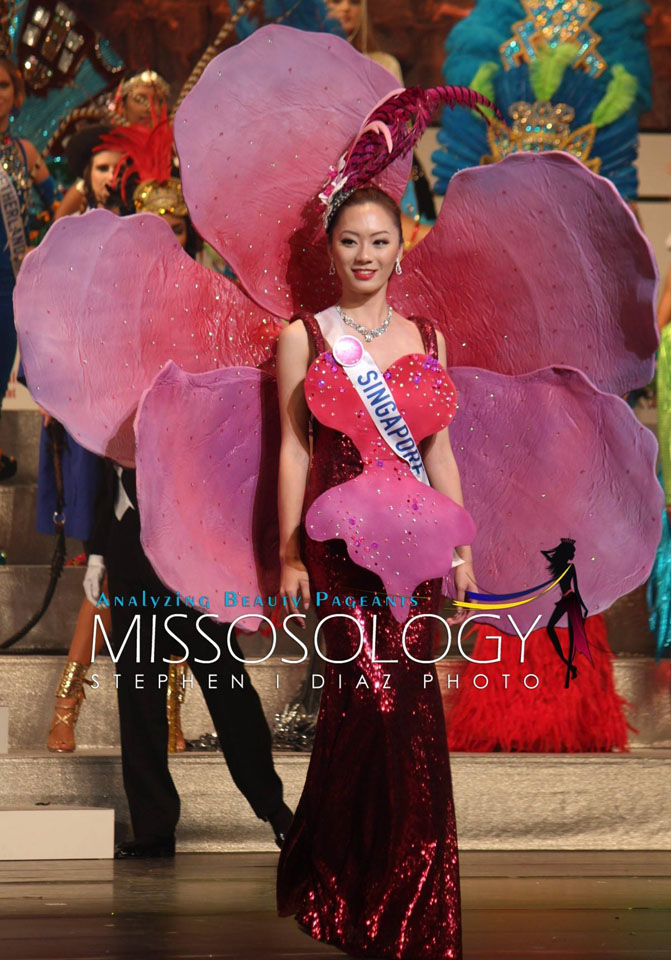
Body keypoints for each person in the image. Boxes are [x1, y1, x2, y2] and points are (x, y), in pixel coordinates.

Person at [274, 178, 476, 953]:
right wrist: (287, 550)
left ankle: (411, 895)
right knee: (364, 707)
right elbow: (293, 447)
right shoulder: (305, 335)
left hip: (418, 553)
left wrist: (461, 547)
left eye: (379, 240)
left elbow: (439, 452)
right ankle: (348, 880)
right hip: (338, 549)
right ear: (330, 248)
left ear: (402, 244)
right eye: (350, 240)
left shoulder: (428, 337)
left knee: (412, 713)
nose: (365, 254)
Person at [0, 56, 54, 480]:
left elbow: (57, 205)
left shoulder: (25, 153)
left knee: (1, 366)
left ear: (16, 94)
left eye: (2, 85)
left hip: (6, 280)